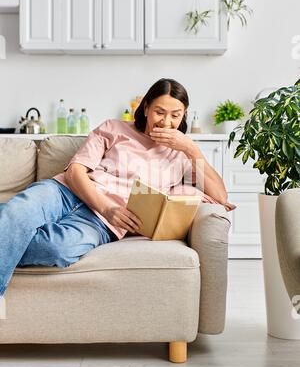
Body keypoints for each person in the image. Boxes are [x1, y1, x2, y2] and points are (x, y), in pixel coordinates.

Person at [0, 78, 233, 309]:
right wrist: (106, 207)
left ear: (184, 116)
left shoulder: (181, 156)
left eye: (175, 115)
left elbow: (220, 197)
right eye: (159, 112)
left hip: (99, 223)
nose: (167, 122)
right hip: (64, 193)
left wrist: (191, 148)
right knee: (16, 212)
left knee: (58, 249)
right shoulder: (113, 128)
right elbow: (75, 172)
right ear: (146, 108)